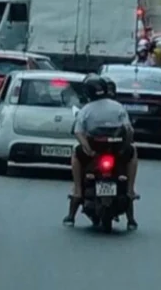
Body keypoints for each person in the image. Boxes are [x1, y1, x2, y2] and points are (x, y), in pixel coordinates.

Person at [64, 74, 138, 229]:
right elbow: (129, 130)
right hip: (117, 151)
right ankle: (130, 190)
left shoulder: (86, 110)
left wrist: (87, 148)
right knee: (133, 153)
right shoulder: (117, 107)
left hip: (94, 153)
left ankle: (77, 191)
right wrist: (125, 147)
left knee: (76, 154)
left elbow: (78, 132)